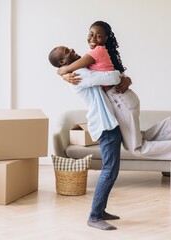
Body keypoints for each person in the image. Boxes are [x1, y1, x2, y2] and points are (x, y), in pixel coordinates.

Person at [57, 20, 171, 161]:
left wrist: (62, 73)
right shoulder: (100, 53)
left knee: (136, 149)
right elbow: (112, 73)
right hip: (125, 99)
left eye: (98, 36)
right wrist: (64, 75)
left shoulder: (95, 53)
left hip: (120, 100)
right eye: (91, 34)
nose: (93, 38)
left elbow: (68, 68)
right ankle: (168, 127)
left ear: (105, 38)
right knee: (137, 140)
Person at [49, 46, 127, 231]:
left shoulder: (75, 71)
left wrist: (61, 72)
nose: (72, 49)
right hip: (104, 125)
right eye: (67, 51)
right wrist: (121, 76)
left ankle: (101, 210)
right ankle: (94, 216)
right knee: (109, 170)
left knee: (112, 170)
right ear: (62, 62)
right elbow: (112, 77)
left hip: (108, 123)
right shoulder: (79, 75)